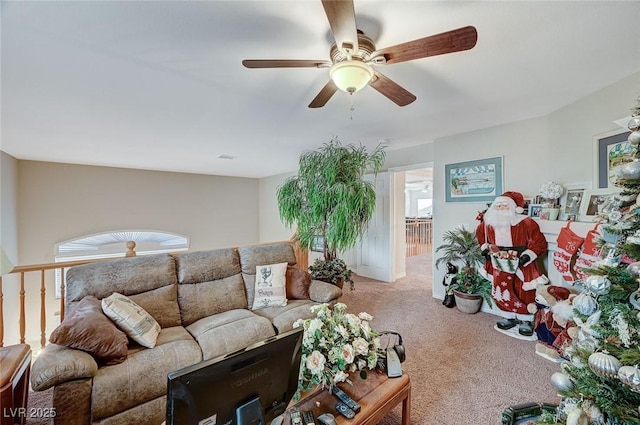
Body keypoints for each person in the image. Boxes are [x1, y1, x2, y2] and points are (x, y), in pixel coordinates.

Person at [476, 191, 549, 338]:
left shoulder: (526, 223)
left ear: (514, 208)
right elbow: (483, 240)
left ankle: (526, 320)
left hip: (522, 261)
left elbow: (538, 242)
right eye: (499, 206)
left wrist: (526, 257)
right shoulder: (488, 224)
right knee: (501, 290)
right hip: (498, 262)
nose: (502, 208)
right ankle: (507, 316)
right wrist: (485, 249)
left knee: (523, 290)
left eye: (505, 205)